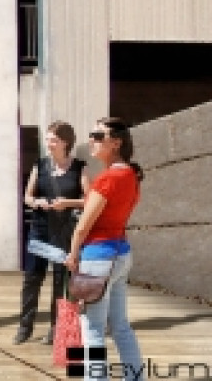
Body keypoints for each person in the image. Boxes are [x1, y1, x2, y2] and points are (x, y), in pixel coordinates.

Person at [66, 116, 144, 378]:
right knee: (121, 326)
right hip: (121, 254)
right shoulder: (131, 175)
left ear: (116, 143)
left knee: (92, 328)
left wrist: (73, 255)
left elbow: (82, 227)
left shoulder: (107, 179)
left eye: (98, 136)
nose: (92, 140)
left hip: (97, 257)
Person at [14, 120, 86, 344]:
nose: (48, 143)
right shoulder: (40, 165)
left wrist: (67, 203)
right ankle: (25, 327)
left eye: (53, 140)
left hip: (64, 230)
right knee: (32, 278)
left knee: (60, 280)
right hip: (40, 229)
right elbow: (27, 196)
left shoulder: (79, 168)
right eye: (47, 139)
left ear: (65, 142)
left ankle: (56, 329)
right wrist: (37, 202)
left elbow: (89, 200)